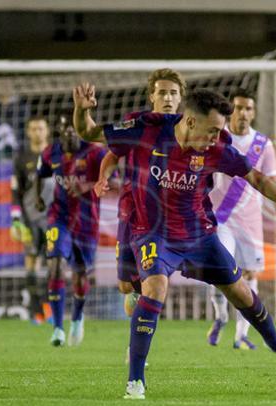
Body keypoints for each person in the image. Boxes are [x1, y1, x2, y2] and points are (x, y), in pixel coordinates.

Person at [73, 84, 276, 400]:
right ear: (190, 122)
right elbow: (89, 131)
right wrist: (82, 109)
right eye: (213, 130)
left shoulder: (217, 149)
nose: (217, 138)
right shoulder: (146, 130)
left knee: (241, 291)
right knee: (155, 288)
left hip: (199, 234)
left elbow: (257, 178)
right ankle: (135, 381)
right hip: (152, 233)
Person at [94, 68, 185, 366]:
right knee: (126, 287)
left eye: (173, 92)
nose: (168, 98)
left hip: (162, 221)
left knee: (152, 284)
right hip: (129, 213)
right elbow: (112, 153)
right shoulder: (137, 124)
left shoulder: (188, 129)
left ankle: (137, 348)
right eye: (162, 92)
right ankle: (137, 328)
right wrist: (102, 177)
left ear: (180, 97)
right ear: (152, 97)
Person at [207, 88, 276, 350]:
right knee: (221, 271)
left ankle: (241, 334)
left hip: (250, 222)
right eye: (239, 107)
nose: (243, 113)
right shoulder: (220, 140)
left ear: (254, 112)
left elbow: (272, 183)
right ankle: (221, 317)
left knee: (251, 273)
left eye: (248, 108)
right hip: (220, 218)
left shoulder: (263, 145)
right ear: (232, 110)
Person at [36, 112, 106, 347]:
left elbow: (114, 181)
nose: (69, 134)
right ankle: (57, 328)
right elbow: (40, 173)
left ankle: (77, 316)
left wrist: (87, 185)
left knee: (79, 275)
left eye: (73, 130)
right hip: (59, 218)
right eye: (65, 130)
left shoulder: (96, 152)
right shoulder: (50, 152)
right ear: (60, 133)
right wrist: (38, 197)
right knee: (55, 266)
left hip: (87, 222)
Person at [10, 117, 55, 324]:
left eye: (41, 128)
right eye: (33, 128)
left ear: (47, 131)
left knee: (56, 262)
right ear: (28, 132)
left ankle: (49, 304)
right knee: (31, 262)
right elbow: (15, 191)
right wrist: (16, 219)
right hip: (30, 220)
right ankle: (36, 310)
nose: (37, 132)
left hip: (55, 218)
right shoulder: (22, 157)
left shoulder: (56, 154)